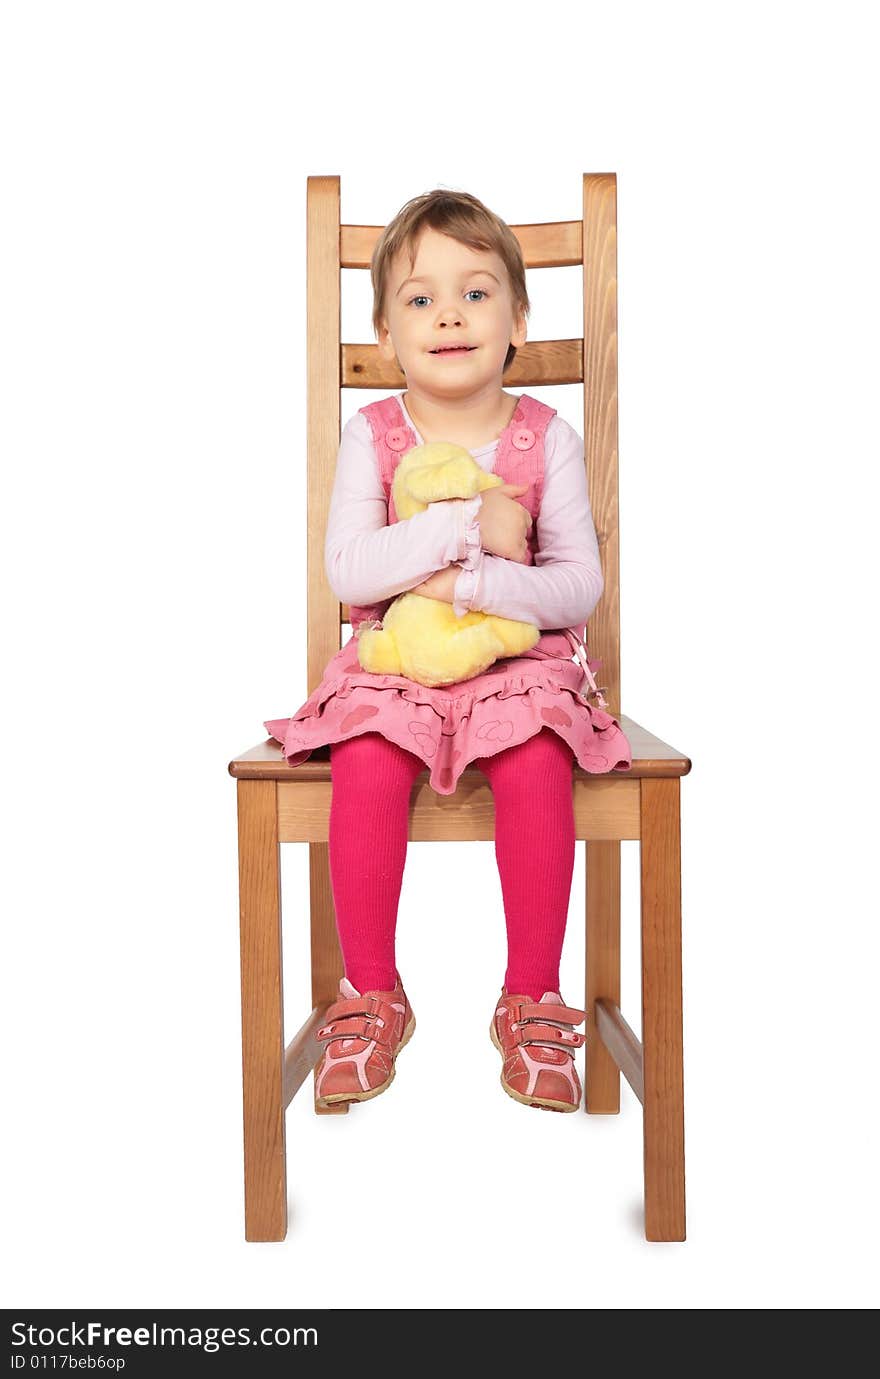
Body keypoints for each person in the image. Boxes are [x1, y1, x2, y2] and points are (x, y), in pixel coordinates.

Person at [265, 188, 632, 1114]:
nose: (449, 314)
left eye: (476, 292)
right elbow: (352, 574)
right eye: (420, 299)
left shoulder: (546, 439)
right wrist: (473, 523)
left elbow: (576, 587)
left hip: (524, 670)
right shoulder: (373, 435)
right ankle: (372, 992)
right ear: (385, 327)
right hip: (398, 671)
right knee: (367, 754)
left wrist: (466, 586)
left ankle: (534, 998)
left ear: (518, 317)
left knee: (538, 752)